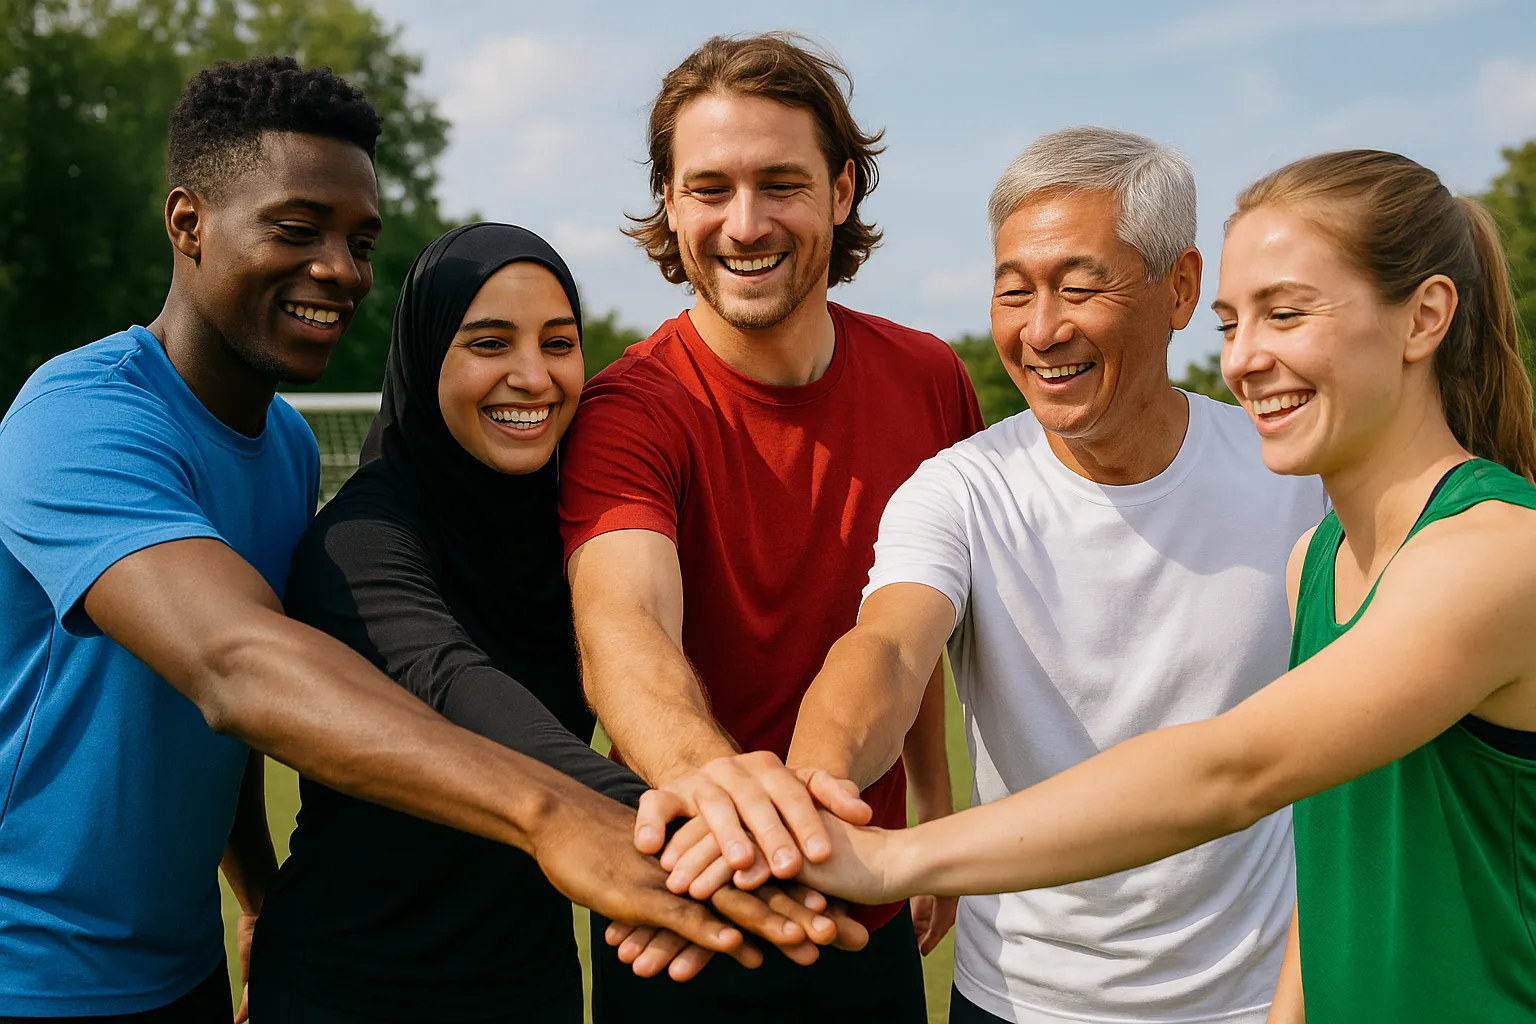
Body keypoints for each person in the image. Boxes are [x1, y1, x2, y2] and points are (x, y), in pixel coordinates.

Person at [0, 57, 824, 1024]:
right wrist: (559, 811)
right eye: (297, 230)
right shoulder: (77, 420)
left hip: (180, 963)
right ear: (187, 224)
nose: (340, 271)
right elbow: (232, 664)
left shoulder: (285, 447)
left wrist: (257, 891)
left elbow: (203, 713)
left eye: (360, 240)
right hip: (35, 966)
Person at [789, 150, 1536, 1023]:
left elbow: (1234, 770)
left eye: (1286, 314)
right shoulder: (1321, 559)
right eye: (1235, 323)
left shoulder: (1495, 553)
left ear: (1424, 319)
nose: (1247, 358)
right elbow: (1328, 838)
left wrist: (888, 860)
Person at [647, 126, 1330, 1024]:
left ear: (1181, 289)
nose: (1041, 330)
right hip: (1015, 1001)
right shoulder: (961, 487)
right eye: (1014, 291)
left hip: (1254, 1001)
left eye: (1079, 288)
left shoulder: (1297, 478)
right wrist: (809, 802)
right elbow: (888, 649)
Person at [248, 222, 853, 1023]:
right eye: (490, 343)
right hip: (351, 980)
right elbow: (458, 687)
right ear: (429, 354)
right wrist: (710, 824)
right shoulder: (356, 542)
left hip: (531, 979)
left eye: (558, 342)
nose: (532, 378)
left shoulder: (581, 527)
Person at [560, 32, 984, 1022]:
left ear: (840, 192)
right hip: (680, 908)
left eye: (779, 184)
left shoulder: (929, 379)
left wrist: (933, 806)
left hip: (859, 896)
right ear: (670, 201)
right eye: (709, 187)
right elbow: (622, 637)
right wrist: (754, 833)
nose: (744, 223)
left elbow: (915, 621)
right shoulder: (631, 408)